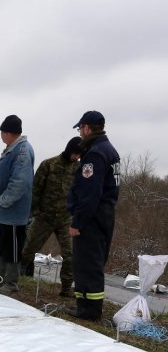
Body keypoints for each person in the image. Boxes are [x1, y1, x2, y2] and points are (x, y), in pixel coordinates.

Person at [65, 110, 120, 320]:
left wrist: (77, 221)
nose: (80, 133)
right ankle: (85, 306)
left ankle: (90, 310)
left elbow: (89, 192)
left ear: (87, 128)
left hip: (92, 217)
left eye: (80, 128)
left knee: (88, 262)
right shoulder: (109, 150)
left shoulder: (95, 154)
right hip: (103, 214)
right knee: (89, 261)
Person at [20, 137, 83, 296]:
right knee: (29, 248)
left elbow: (79, 193)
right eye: (75, 153)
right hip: (44, 217)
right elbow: (36, 189)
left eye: (79, 155)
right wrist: (35, 212)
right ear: (69, 150)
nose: (76, 157)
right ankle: (15, 276)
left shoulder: (78, 168)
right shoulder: (49, 165)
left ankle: (66, 288)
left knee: (70, 254)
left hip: (65, 219)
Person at [0, 115, 35, 293]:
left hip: (13, 212)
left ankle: (11, 283)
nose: (1, 136)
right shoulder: (12, 149)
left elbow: (20, 182)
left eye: (2, 132)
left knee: (12, 247)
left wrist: (3, 201)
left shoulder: (22, 151)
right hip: (4, 213)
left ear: (7, 132)